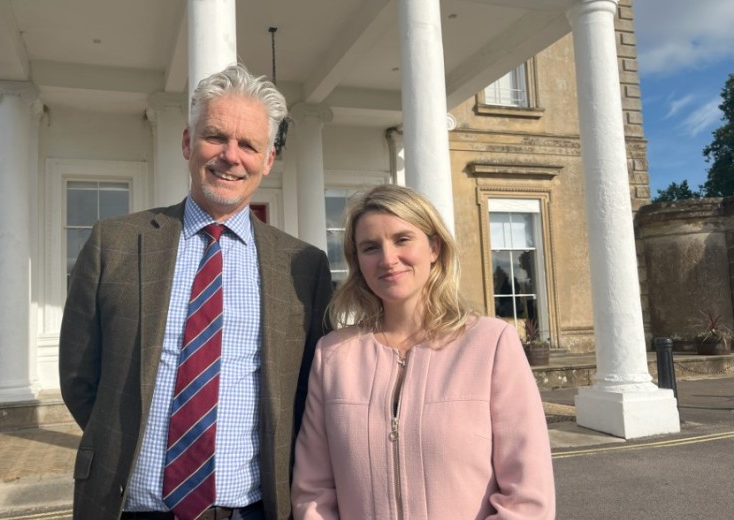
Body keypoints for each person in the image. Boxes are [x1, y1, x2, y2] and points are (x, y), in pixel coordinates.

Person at [59, 64, 333, 520]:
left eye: (249, 145)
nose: (231, 156)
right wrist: (120, 443)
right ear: (188, 143)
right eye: (215, 137)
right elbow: (78, 375)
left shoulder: (302, 266)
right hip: (129, 505)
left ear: (267, 160)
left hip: (251, 509)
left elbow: (307, 392)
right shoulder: (116, 243)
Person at [291, 184, 555, 519]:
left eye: (402, 239)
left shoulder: (491, 343)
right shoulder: (333, 356)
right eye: (370, 247)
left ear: (433, 247)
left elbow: (527, 498)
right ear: (358, 261)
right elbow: (314, 492)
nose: (388, 259)